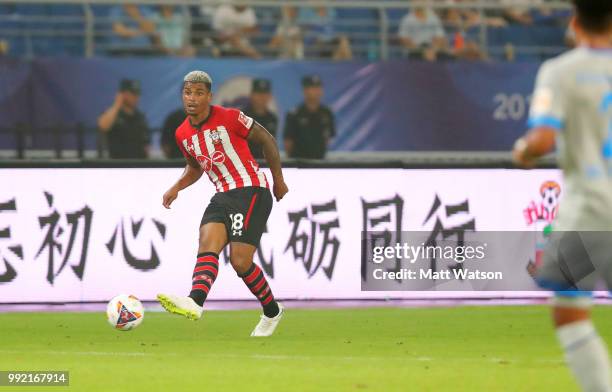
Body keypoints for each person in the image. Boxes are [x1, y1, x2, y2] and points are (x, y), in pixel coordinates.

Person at [512, 1, 612, 391]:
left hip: (591, 208)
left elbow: (542, 140)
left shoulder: (561, 72)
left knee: (570, 310)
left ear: (574, 23)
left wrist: (522, 151)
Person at [157, 71, 289, 337]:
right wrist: (176, 186)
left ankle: (272, 312)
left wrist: (278, 179)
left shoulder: (229, 117)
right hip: (222, 194)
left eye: (198, 93)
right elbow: (195, 167)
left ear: (209, 96)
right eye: (187, 93)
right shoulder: (182, 133)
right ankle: (195, 301)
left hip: (251, 188)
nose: (191, 98)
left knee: (240, 262)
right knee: (207, 242)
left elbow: (266, 139)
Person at [284, 75, 335, 159]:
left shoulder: (327, 113)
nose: (316, 91)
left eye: (318, 88)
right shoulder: (295, 114)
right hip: (299, 162)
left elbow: (327, 139)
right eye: (313, 88)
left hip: (319, 161)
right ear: (305, 91)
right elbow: (288, 142)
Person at [97, 79, 150, 159]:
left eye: (138, 94)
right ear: (122, 94)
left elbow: (146, 144)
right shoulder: (113, 114)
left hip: (138, 165)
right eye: (133, 94)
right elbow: (103, 126)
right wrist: (117, 104)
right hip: (118, 165)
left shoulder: (141, 117)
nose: (136, 97)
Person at [243, 79, 278, 159]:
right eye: (258, 93)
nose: (262, 97)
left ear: (269, 96)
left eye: (265, 94)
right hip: (246, 163)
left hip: (266, 163)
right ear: (251, 95)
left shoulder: (272, 118)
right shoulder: (243, 116)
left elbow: (271, 144)